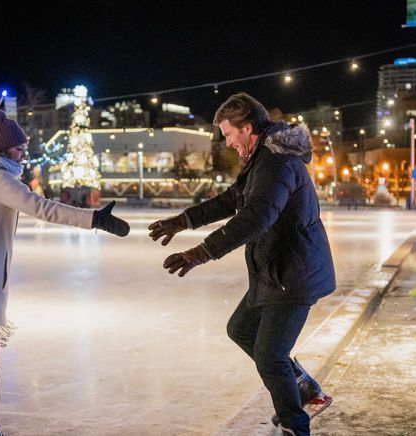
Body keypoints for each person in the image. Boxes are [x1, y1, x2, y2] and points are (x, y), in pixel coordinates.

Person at [148, 93, 336, 436]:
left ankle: (296, 426)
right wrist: (185, 220)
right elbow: (235, 198)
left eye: (229, 134)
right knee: (241, 329)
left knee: (269, 354)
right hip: (274, 271)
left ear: (247, 128)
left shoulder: (277, 162)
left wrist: (201, 252)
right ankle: (304, 389)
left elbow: (257, 216)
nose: (227, 142)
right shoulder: (261, 157)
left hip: (293, 273)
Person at [0, 110, 130, 436]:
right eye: (20, 148)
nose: (24, 153)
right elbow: (43, 208)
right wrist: (94, 219)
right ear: (4, 149)